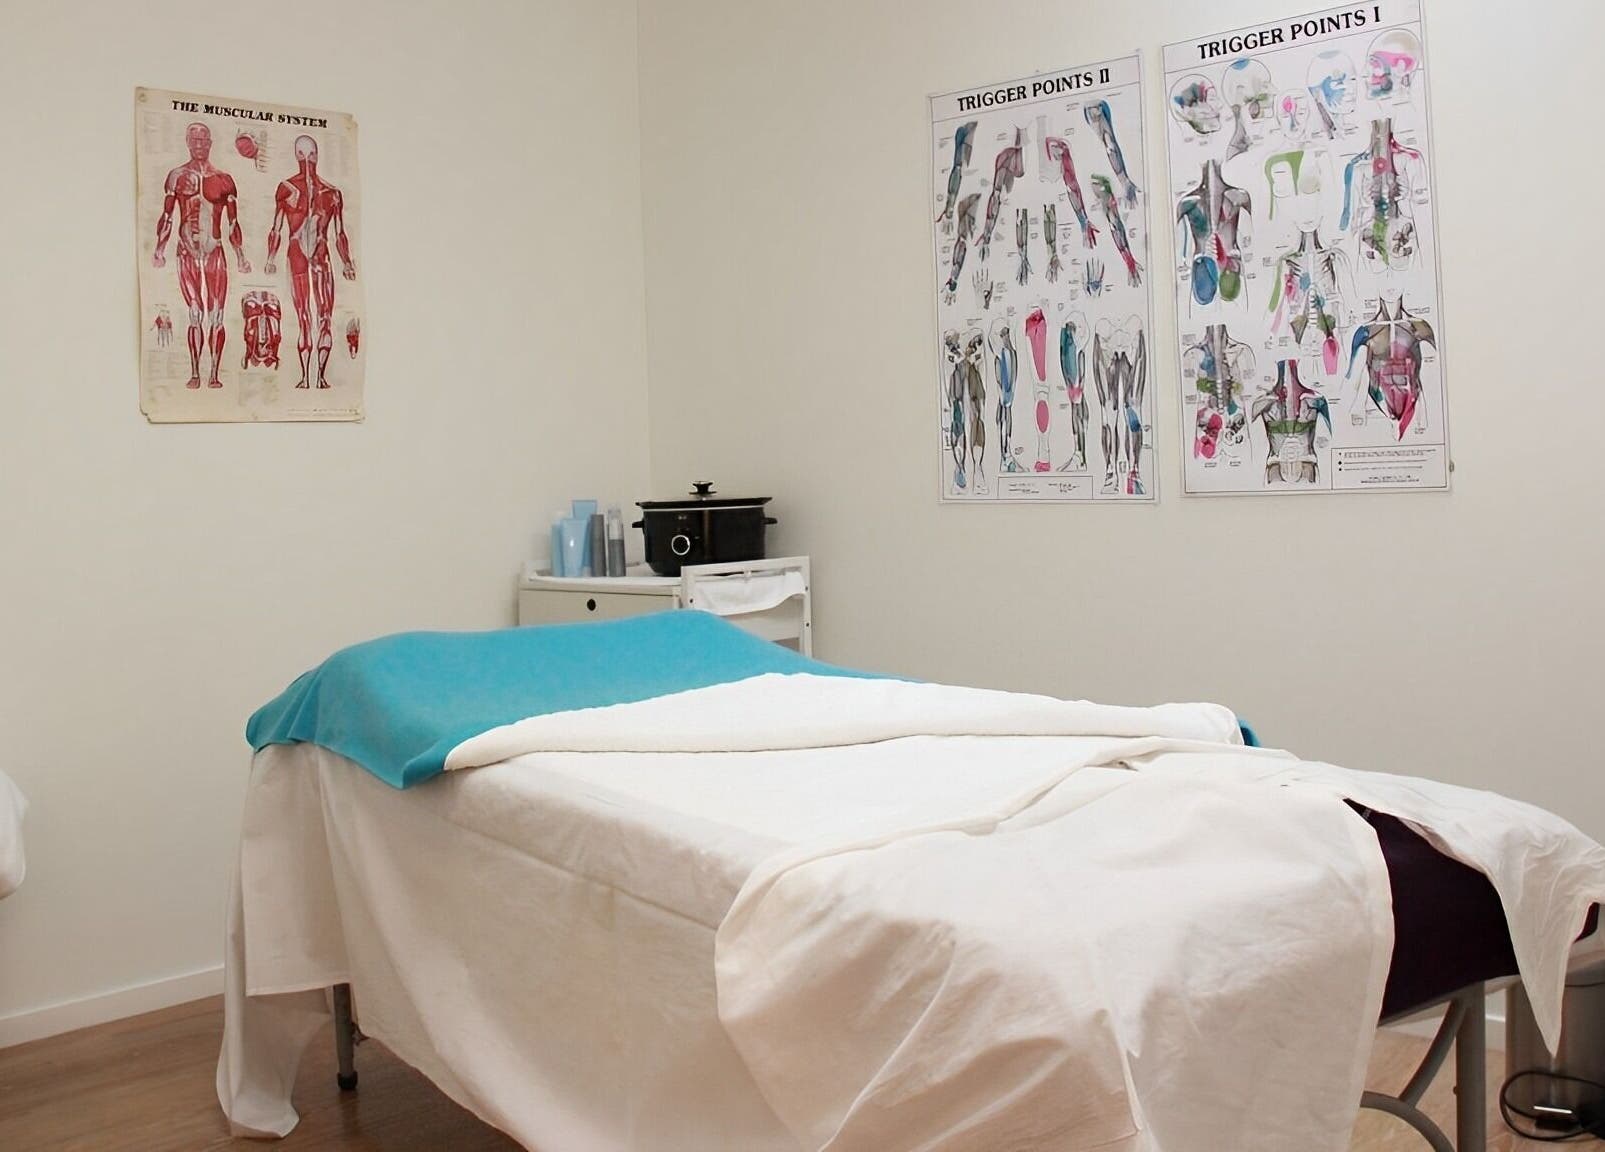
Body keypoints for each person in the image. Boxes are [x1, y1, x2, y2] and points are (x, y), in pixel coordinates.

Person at [152, 122, 251, 389]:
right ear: (187, 141)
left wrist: (240, 256)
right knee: (195, 312)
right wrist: (159, 250)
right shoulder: (176, 176)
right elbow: (167, 216)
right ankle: (196, 372)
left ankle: (214, 374)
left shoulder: (224, 180)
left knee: (216, 315)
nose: (198, 144)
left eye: (203, 140)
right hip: (186, 251)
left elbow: (233, 223)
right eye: (194, 140)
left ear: (210, 143)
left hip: (214, 251)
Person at [265, 135, 356, 389]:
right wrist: (270, 258)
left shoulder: (332, 193)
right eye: (302, 154)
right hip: (297, 256)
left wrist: (347, 262)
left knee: (324, 316)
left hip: (321, 256)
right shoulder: (285, 188)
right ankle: (306, 377)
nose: (307, 160)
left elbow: (339, 233)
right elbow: (276, 228)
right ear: (297, 156)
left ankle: (320, 377)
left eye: (311, 154)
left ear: (317, 156)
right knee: (305, 317)